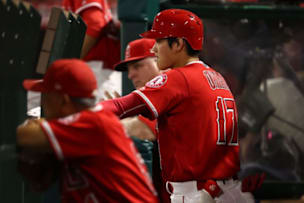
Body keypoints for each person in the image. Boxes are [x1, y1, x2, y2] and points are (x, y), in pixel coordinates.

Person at [101, 9, 254, 202]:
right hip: (229, 191)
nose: (154, 49)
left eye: (159, 42)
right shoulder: (216, 77)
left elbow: (122, 106)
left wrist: (77, 114)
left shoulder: (178, 77)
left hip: (198, 192)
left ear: (179, 44)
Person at [16, 59, 158, 202]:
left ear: (63, 100)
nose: (43, 102)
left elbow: (25, 135)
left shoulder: (93, 123)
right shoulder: (91, 123)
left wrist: (40, 123)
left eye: (45, 96)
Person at [111, 38, 171, 203]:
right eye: (129, 69)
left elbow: (142, 131)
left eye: (137, 66)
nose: (131, 75)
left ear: (158, 61)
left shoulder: (170, 88)